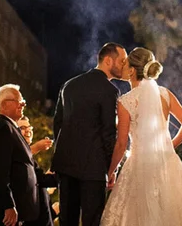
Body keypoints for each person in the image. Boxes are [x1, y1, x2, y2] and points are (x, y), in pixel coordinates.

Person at [100, 46, 182, 226]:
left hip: (139, 165)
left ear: (132, 70)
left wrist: (110, 172)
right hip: (166, 163)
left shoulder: (125, 101)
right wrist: (168, 146)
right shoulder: (165, 94)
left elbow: (121, 145)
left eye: (126, 64)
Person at [51, 42, 127, 226]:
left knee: (67, 219)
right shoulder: (109, 90)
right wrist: (111, 169)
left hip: (66, 164)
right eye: (122, 60)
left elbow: (58, 124)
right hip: (93, 168)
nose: (125, 65)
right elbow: (108, 133)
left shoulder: (69, 85)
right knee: (92, 220)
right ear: (109, 60)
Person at [0, 84, 39, 226]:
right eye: (19, 101)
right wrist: (8, 205)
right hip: (1, 213)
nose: (23, 105)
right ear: (4, 105)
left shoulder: (10, 128)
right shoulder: (2, 128)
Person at [18, 116, 57, 226]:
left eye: (29, 127)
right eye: (22, 128)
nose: (28, 131)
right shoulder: (16, 156)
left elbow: (39, 181)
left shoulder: (29, 158)